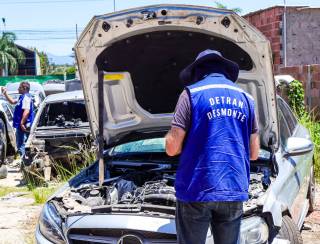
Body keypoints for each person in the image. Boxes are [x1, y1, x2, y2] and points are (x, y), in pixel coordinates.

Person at [165, 50, 260, 244]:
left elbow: (172, 148)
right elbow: (254, 153)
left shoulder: (191, 94)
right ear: (225, 71)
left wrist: (169, 138)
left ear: (198, 71)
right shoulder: (246, 99)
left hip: (196, 188)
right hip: (233, 188)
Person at [1, 82, 35, 157]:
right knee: (21, 144)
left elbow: (26, 111)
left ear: (25, 89)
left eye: (20, 88)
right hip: (21, 126)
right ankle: (23, 161)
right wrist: (5, 93)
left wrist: (22, 123)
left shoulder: (26, 97)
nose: (18, 89)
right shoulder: (22, 97)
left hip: (23, 126)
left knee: (21, 145)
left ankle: (23, 162)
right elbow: (12, 102)